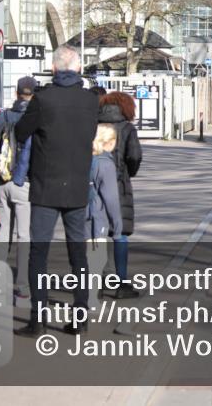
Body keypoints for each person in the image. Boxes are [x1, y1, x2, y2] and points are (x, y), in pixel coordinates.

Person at [14, 45, 99, 336]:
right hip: (76, 186)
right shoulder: (90, 101)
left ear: (53, 69)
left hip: (45, 186)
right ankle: (80, 317)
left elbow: (21, 132)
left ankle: (38, 320)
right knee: (78, 254)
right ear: (78, 69)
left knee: (39, 253)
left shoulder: (43, 99)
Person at [0, 76, 36, 301]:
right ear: (33, 95)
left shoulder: (3, 116)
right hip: (24, 182)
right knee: (24, 234)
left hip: (1, 179)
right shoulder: (35, 118)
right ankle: (22, 284)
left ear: (17, 93)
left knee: (1, 231)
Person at [98, 91, 142, 299]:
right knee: (120, 233)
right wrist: (127, 173)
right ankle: (121, 283)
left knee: (97, 233)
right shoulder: (127, 128)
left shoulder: (94, 125)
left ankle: (96, 282)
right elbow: (134, 156)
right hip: (118, 183)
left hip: (94, 183)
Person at [86, 124, 122, 310]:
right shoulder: (105, 164)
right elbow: (111, 199)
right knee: (97, 259)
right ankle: (91, 300)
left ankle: (84, 298)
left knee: (83, 259)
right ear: (110, 142)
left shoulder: (84, 157)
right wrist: (117, 225)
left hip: (79, 214)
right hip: (96, 216)